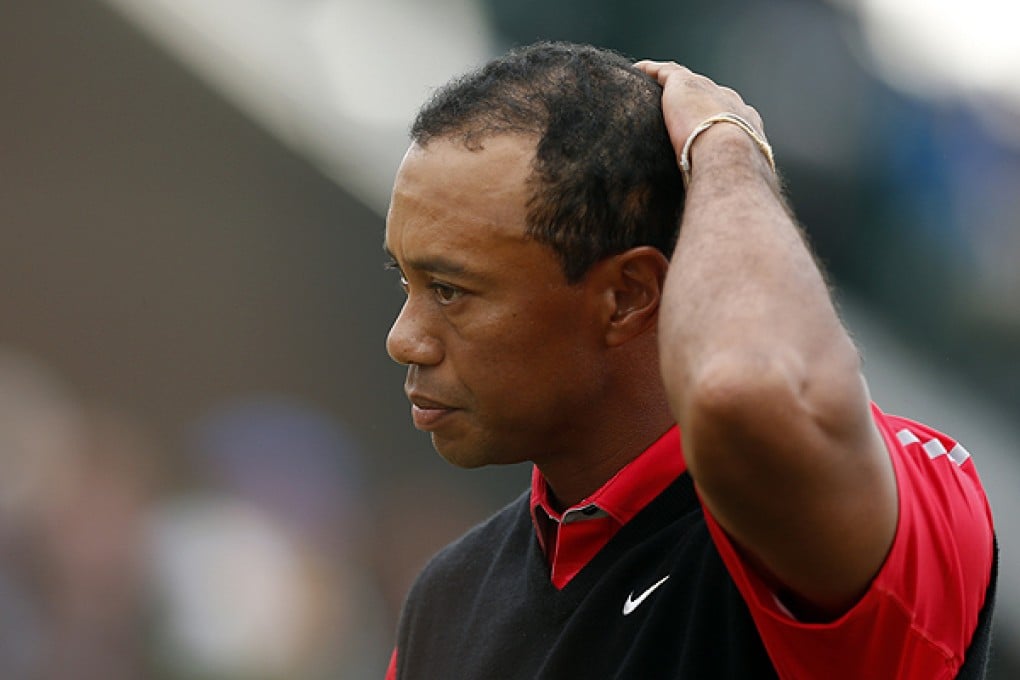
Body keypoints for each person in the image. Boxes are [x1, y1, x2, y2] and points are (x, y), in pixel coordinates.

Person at [381, 42, 996, 679]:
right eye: (406, 282)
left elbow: (748, 393)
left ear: (628, 297)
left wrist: (727, 150)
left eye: (450, 290)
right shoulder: (446, 598)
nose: (404, 339)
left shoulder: (900, 498)